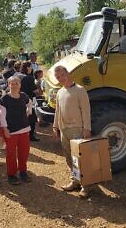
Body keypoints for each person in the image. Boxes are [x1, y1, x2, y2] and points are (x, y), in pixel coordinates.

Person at [53, 65, 91, 198]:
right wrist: (55, 126)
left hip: (78, 129)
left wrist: (87, 129)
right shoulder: (59, 92)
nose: (60, 78)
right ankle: (75, 181)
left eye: (62, 75)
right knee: (69, 158)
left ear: (67, 73)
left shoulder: (80, 90)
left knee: (79, 158)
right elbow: (57, 110)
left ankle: (85, 186)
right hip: (64, 130)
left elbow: (86, 111)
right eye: (57, 77)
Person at [0, 76, 32, 185]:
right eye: (12, 83)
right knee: (11, 154)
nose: (14, 85)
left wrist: (29, 110)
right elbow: (2, 116)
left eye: (16, 83)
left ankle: (23, 172)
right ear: (8, 85)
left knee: (24, 152)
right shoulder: (4, 99)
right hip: (11, 131)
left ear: (20, 85)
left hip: (24, 129)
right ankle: (11, 175)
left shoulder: (24, 96)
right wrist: (5, 129)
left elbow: (30, 102)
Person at [20, 61, 40, 142]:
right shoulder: (29, 77)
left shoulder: (21, 76)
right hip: (30, 99)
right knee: (32, 117)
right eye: (30, 66)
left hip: (23, 99)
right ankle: (31, 136)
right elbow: (35, 90)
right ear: (28, 68)